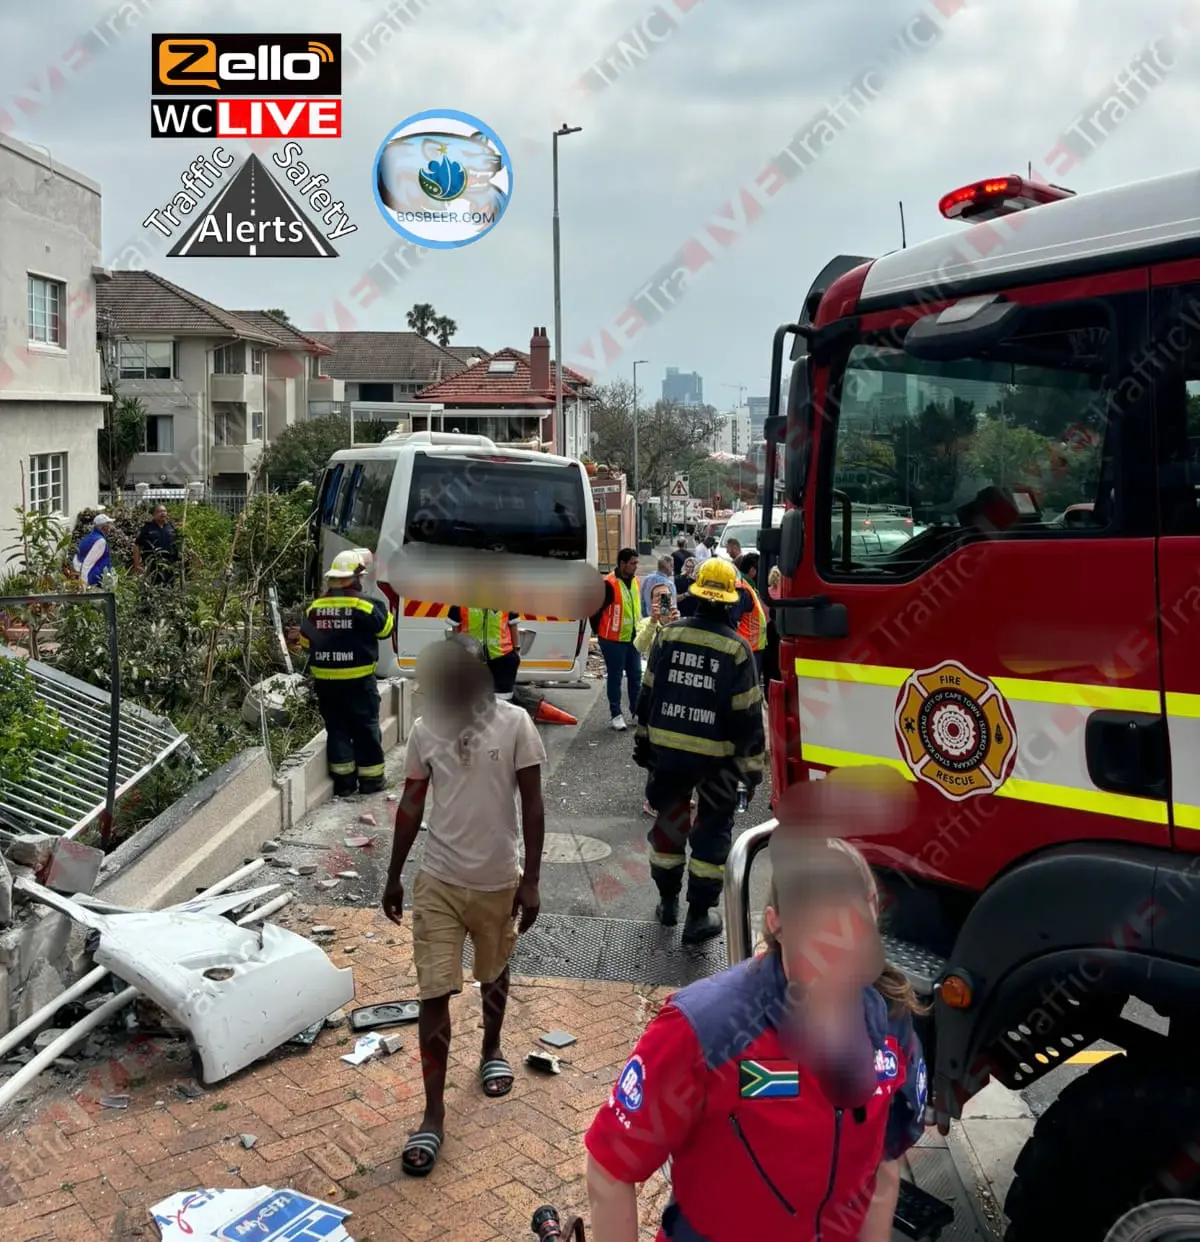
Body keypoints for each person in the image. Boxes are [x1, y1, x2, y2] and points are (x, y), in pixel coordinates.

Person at [585, 836, 928, 1242]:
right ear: (776, 922)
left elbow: (885, 1162)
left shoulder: (891, 1021)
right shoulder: (706, 1029)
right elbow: (610, 1167)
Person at [381, 638, 546, 1177]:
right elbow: (411, 802)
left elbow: (533, 802)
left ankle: (491, 1049)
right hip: (439, 881)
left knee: (493, 974)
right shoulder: (427, 729)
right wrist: (394, 875)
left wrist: (532, 882)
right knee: (434, 992)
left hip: (499, 879)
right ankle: (432, 1114)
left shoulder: (516, 723)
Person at [632, 557, 765, 942]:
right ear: (729, 601)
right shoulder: (738, 650)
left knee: (669, 829)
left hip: (668, 757)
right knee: (711, 833)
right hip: (718, 765)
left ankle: (668, 905)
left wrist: (644, 744)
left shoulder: (669, 636)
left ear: (697, 596)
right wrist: (751, 772)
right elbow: (748, 717)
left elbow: (648, 695)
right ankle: (697, 918)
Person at [299, 550, 394, 796]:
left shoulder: (315, 609)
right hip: (359, 681)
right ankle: (371, 780)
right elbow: (385, 630)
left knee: (337, 728)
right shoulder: (365, 604)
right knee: (366, 727)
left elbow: (305, 642)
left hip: (326, 683)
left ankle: (344, 783)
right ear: (354, 578)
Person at [591, 547, 643, 731]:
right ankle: (616, 714)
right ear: (622, 564)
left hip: (632, 637)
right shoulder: (608, 584)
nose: (636, 566)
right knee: (615, 677)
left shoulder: (636, 581)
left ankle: (636, 712)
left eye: (636, 562)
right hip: (612, 639)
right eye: (633, 563)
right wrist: (598, 631)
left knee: (636, 675)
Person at [448, 605, 521, 699]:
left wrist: (516, 651)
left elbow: (513, 626)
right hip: (471, 659)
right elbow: (456, 629)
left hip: (503, 658)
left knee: (503, 701)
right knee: (471, 699)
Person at [735, 551, 769, 685]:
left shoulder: (748, 586)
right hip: (748, 646)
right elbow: (734, 618)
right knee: (748, 684)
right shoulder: (743, 588)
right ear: (753, 571)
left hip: (751, 645)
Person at [132, 505, 179, 585]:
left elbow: (179, 544)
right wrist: (136, 565)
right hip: (153, 565)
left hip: (170, 565)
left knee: (170, 586)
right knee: (153, 587)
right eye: (159, 511)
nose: (163, 513)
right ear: (154, 514)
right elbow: (137, 546)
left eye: (164, 511)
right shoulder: (147, 528)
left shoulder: (171, 527)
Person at [72, 514, 115, 588]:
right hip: (94, 583)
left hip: (90, 581)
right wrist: (84, 587)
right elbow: (87, 564)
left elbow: (76, 559)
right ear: (104, 526)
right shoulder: (100, 541)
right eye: (108, 524)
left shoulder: (89, 537)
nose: (110, 527)